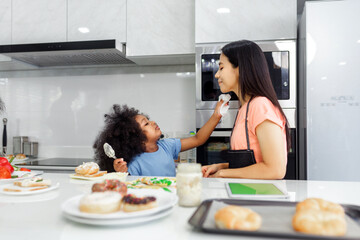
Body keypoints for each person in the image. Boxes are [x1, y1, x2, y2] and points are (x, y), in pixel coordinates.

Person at [202, 40, 290, 179]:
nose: (217, 75)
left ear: (240, 68)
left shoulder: (260, 105)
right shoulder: (245, 107)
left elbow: (275, 170)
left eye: (222, 67)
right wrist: (222, 166)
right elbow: (254, 162)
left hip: (261, 197)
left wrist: (223, 174)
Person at [93, 103, 222, 176]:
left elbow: (198, 139)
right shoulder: (134, 164)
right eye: (146, 124)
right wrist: (120, 173)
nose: (153, 122)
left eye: (148, 120)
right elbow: (129, 189)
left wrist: (216, 116)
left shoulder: (167, 145)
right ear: (135, 138)